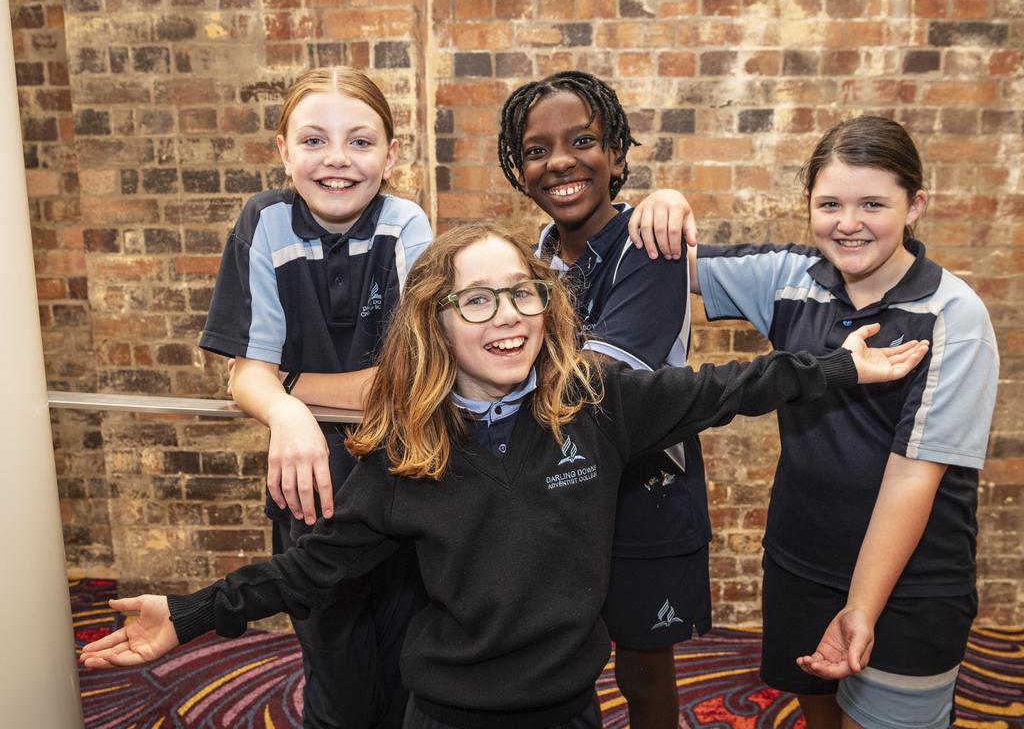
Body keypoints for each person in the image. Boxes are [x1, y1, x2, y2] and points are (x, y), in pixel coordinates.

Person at [82, 225, 930, 729]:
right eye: (476, 301)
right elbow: (310, 569)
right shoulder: (406, 447)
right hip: (449, 712)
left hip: (568, 708)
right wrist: (187, 616)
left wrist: (842, 368)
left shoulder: (595, 401)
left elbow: (729, 388)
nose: (507, 317)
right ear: (435, 322)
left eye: (521, 295)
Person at [629, 115, 999, 729]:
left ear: (915, 207)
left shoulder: (954, 313)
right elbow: (661, 263)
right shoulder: (788, 278)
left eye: (873, 204)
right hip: (802, 561)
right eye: (830, 204)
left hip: (911, 584)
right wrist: (661, 203)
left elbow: (914, 477)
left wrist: (861, 606)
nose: (848, 223)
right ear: (808, 205)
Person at [199, 66, 433, 728]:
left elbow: (411, 383)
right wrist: (285, 412)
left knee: (413, 669)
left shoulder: (406, 223)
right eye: (313, 140)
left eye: (360, 142)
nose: (336, 159)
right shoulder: (265, 221)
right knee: (336, 675)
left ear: (391, 155)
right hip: (311, 488)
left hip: (406, 480)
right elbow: (248, 375)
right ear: (282, 150)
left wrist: (289, 384)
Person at [497, 70, 705, 729]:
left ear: (616, 154)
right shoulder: (533, 259)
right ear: (519, 167)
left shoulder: (651, 244)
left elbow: (592, 383)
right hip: (561, 496)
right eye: (536, 149)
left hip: (644, 495)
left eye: (582, 139)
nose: (559, 160)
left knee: (644, 673)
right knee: (559, 661)